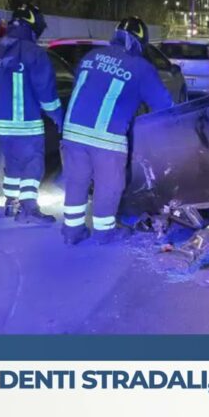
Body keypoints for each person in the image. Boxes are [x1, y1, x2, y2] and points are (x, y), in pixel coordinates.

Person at [61, 17, 173, 246]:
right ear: (140, 42)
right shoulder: (140, 67)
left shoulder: (91, 57)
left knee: (76, 182)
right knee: (109, 186)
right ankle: (104, 233)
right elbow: (164, 106)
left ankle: (72, 231)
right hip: (106, 138)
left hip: (72, 132)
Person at [0, 4, 64, 224]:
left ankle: (11, 204)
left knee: (13, 163)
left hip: (0, 126)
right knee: (32, 165)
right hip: (27, 125)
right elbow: (47, 94)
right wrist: (59, 118)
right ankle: (29, 210)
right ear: (33, 26)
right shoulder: (34, 53)